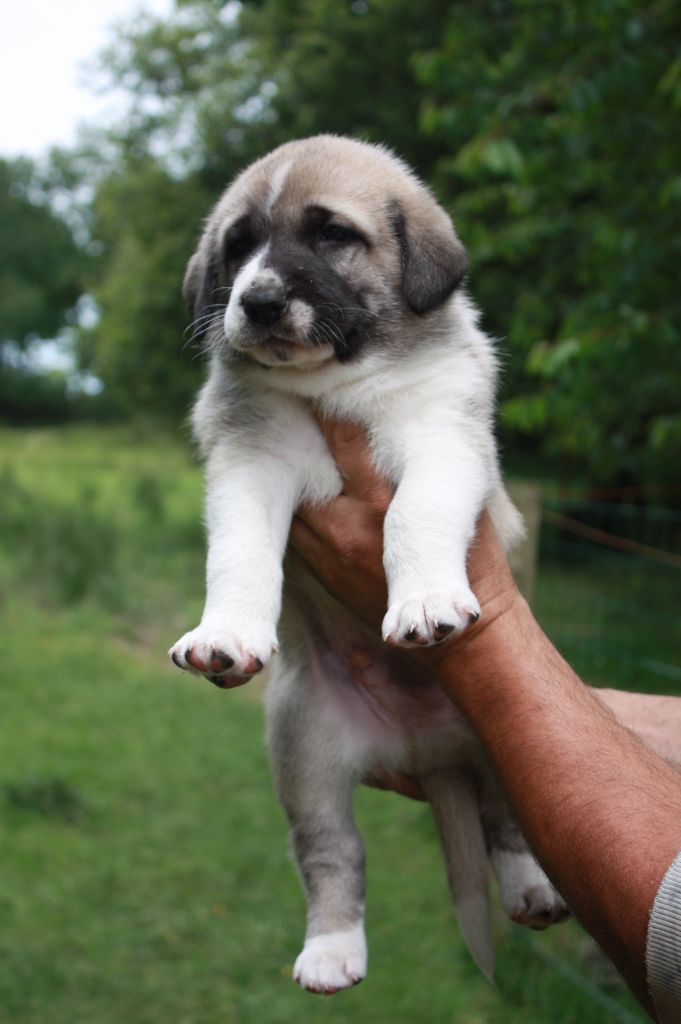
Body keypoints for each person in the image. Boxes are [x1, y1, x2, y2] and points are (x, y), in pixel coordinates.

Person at [289, 416, 681, 1023]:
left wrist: (486, 627)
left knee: (494, 732)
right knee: (315, 750)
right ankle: (339, 908)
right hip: (341, 672)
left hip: (423, 637)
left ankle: (511, 844)